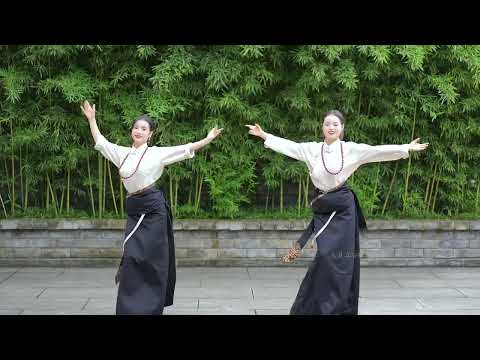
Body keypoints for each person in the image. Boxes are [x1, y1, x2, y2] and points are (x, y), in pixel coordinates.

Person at [246, 110, 428, 315]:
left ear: (342, 128)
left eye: (335, 124)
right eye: (327, 124)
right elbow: (291, 147)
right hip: (323, 205)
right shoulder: (312, 150)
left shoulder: (351, 150)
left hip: (343, 209)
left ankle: (338, 307)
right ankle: (312, 306)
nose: (331, 127)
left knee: (341, 258)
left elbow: (377, 151)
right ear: (322, 127)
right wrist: (264, 135)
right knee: (324, 256)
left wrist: (405, 148)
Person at [81, 100, 222, 315]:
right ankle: (129, 308)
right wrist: (92, 119)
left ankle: (151, 307)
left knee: (151, 260)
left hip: (154, 211)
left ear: (150, 134)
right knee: (131, 257)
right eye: (136, 127)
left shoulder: (157, 153)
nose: (138, 131)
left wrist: (208, 138)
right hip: (135, 208)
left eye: (143, 129)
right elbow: (101, 142)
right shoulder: (122, 153)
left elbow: (185, 149)